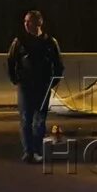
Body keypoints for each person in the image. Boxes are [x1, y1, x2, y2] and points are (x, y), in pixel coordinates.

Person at [7, 10, 65, 164]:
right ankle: (28, 151)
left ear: (38, 23)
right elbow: (11, 61)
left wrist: (52, 83)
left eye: (29, 21)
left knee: (40, 119)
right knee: (26, 119)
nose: (26, 24)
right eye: (25, 21)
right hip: (25, 85)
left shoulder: (50, 42)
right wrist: (16, 80)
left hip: (43, 85)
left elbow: (58, 65)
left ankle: (37, 150)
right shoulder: (19, 41)